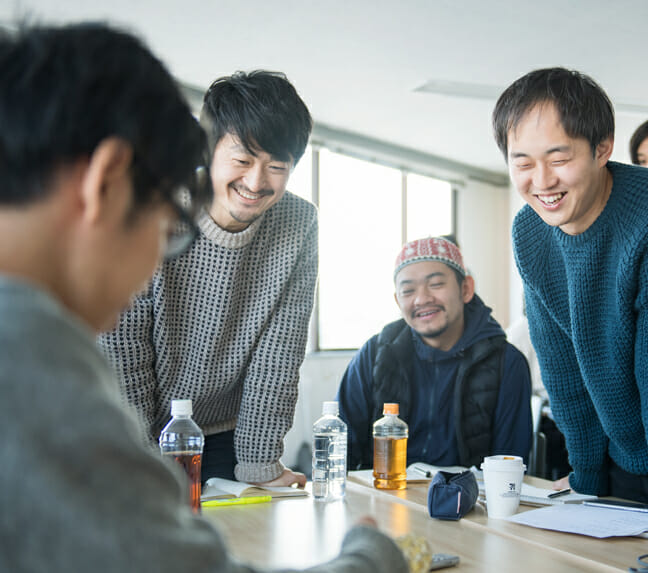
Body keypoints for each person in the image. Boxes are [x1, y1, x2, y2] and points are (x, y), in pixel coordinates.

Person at [0, 22, 407, 573]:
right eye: (166, 216)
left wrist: (257, 459)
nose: (158, 258)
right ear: (107, 180)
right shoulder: (31, 357)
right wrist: (373, 558)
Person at [492, 67, 648, 508]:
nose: (541, 182)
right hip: (623, 457)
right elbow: (562, 371)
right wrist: (587, 480)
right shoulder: (530, 230)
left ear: (603, 148)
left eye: (559, 159)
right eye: (522, 162)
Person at [99, 69, 318, 487]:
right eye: (242, 160)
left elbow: (279, 354)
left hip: (225, 437)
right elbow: (121, 351)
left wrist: (259, 466)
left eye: (277, 166)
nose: (256, 182)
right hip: (130, 432)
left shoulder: (299, 223)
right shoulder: (152, 209)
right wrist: (143, 466)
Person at [337, 237, 532, 469]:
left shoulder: (506, 362)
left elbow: (509, 464)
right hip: (384, 496)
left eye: (436, 284)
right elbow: (341, 446)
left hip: (469, 500)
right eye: (408, 290)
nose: (422, 299)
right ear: (398, 301)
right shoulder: (376, 354)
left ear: (466, 289)